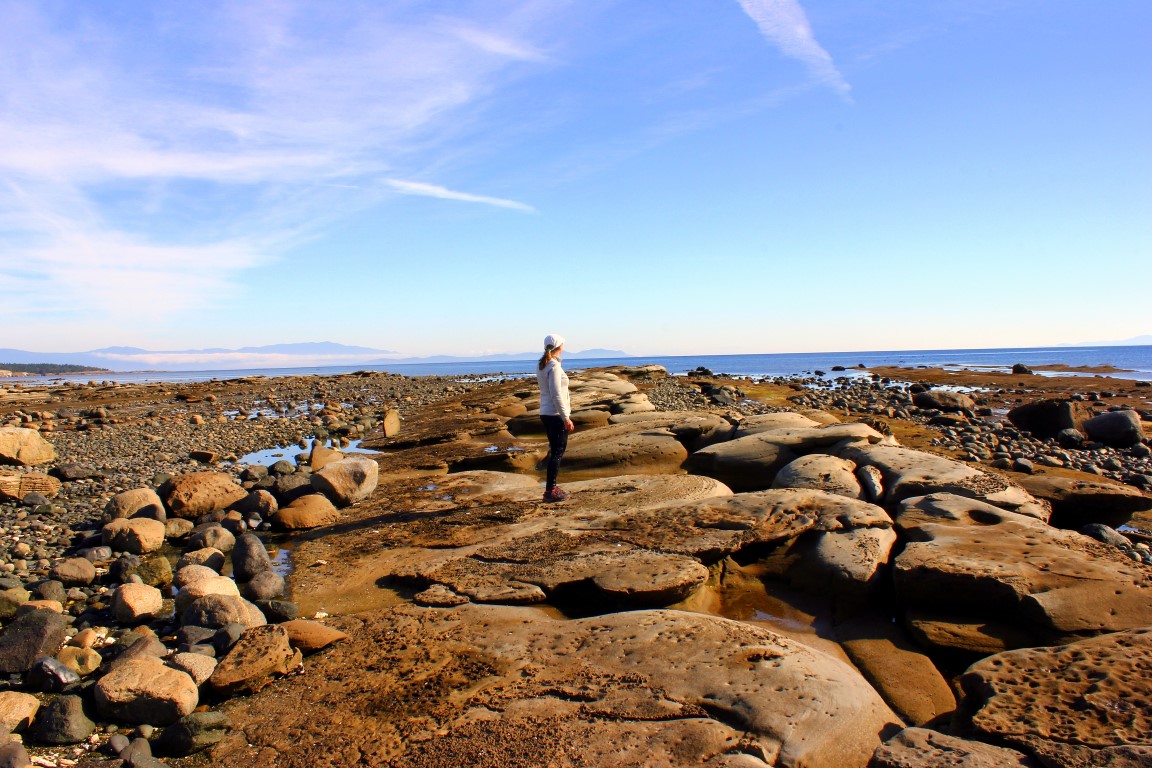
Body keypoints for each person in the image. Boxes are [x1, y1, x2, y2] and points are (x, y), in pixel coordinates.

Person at [537, 333, 574, 502]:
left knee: (554, 451)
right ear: (560, 347)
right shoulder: (554, 366)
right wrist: (565, 417)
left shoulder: (542, 365)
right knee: (557, 453)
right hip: (555, 414)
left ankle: (552, 487)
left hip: (546, 413)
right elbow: (556, 394)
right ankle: (550, 490)